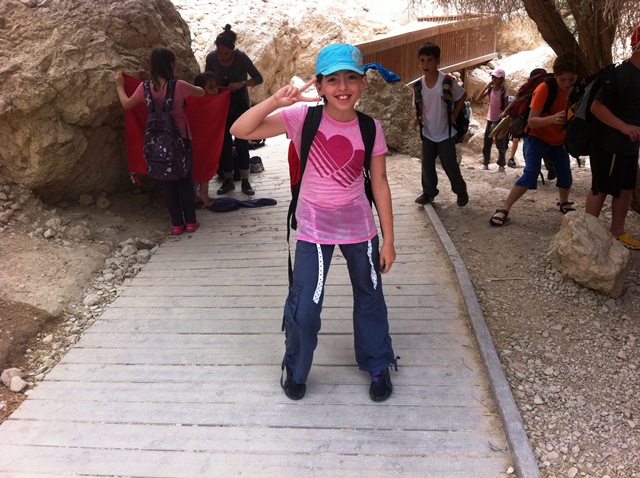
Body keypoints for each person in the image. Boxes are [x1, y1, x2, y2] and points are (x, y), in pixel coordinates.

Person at [230, 43, 397, 402]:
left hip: (360, 229)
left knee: (370, 298)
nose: (342, 87)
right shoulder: (303, 119)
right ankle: (295, 368)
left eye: (351, 78)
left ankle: (378, 363)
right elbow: (240, 129)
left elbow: (380, 183)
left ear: (363, 84)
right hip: (313, 230)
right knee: (305, 308)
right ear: (319, 86)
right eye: (332, 79)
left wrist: (389, 240)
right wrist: (276, 100)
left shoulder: (370, 128)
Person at [114, 48, 205, 235]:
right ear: (171, 65)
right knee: (185, 181)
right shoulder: (179, 86)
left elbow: (127, 104)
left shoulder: (144, 88)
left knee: (168, 183)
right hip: (181, 140)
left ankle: (177, 225)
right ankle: (190, 222)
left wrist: (119, 86)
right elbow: (201, 93)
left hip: (157, 144)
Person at [490, 54, 578, 226]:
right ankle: (504, 207)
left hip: (557, 139)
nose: (567, 84)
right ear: (555, 76)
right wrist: (552, 119)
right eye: (563, 80)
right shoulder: (544, 89)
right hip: (536, 137)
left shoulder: (574, 90)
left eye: (571, 80)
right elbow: (531, 121)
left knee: (565, 173)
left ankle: (564, 202)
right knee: (531, 173)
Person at [584, 27, 640, 249]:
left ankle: (618, 231)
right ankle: (587, 235)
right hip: (609, 144)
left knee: (626, 188)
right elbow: (596, 107)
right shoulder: (621, 74)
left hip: (629, 146)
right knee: (602, 187)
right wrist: (624, 127)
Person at [205, 24, 263, 196]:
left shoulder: (241, 58)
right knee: (223, 144)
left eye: (226, 53)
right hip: (220, 106)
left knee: (242, 142)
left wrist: (242, 83)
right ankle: (228, 180)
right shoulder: (211, 58)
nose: (222, 56)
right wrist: (214, 87)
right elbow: (206, 79)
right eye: (220, 53)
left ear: (232, 50)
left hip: (240, 106)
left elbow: (258, 78)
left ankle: (245, 180)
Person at [413, 42, 469, 207]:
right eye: (422, 60)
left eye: (430, 60)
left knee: (449, 164)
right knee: (427, 164)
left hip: (446, 132)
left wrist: (454, 114)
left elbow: (462, 95)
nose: (426, 64)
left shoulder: (447, 81)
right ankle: (429, 192)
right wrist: (417, 118)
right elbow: (419, 105)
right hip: (428, 132)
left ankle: (460, 190)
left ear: (438, 61)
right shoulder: (418, 85)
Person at [193, 71, 222, 206]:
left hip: (209, 140)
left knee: (207, 163)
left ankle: (202, 193)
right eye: (211, 87)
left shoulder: (216, 101)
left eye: (216, 87)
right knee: (200, 165)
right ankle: (200, 194)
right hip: (197, 141)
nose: (215, 90)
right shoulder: (193, 102)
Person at [476, 68, 509, 171]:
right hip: (490, 119)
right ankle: (485, 163)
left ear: (501, 79)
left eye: (497, 77)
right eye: (493, 77)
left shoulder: (504, 92)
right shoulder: (490, 90)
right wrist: (486, 86)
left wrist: (504, 114)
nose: (494, 79)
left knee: (500, 143)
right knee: (487, 142)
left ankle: (501, 165)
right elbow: (478, 98)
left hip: (499, 120)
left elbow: (506, 107)